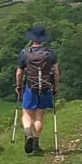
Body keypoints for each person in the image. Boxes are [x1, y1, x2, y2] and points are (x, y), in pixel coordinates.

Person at [14, 23, 59, 156]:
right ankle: (35, 143)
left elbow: (19, 72)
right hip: (45, 88)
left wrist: (18, 86)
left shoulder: (25, 53)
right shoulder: (50, 53)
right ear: (44, 38)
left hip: (30, 87)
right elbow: (56, 72)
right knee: (39, 116)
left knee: (27, 114)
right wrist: (56, 87)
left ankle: (28, 133)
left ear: (32, 38)